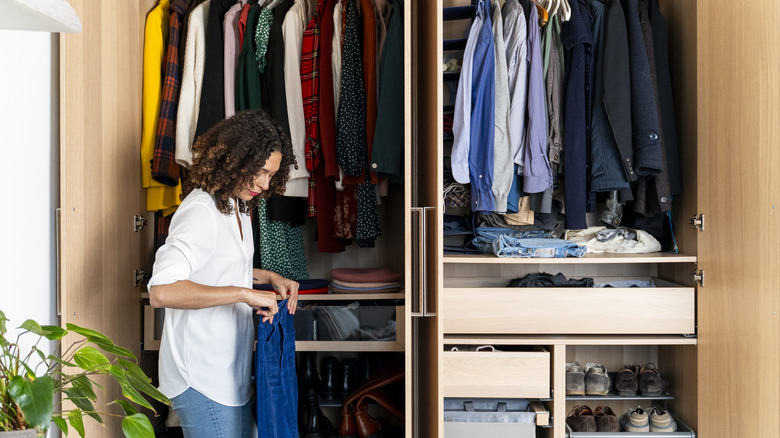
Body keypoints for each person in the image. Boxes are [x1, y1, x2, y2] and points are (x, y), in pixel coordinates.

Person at [148, 110, 300, 437]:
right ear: (235, 159)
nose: (264, 183)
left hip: (230, 371)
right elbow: (161, 291)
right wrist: (244, 293)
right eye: (260, 172)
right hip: (200, 374)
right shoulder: (200, 211)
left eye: (272, 175)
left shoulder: (237, 205)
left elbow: (220, 264)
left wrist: (267, 277)